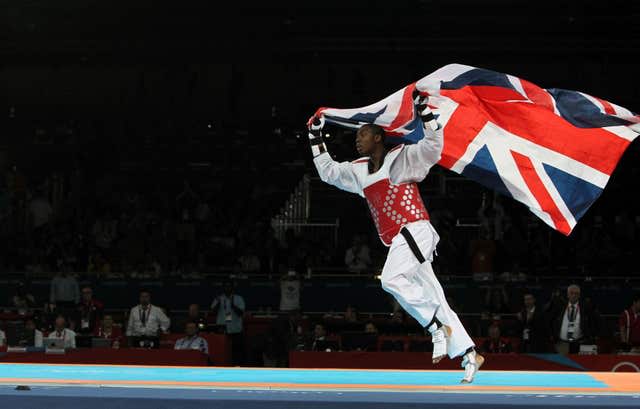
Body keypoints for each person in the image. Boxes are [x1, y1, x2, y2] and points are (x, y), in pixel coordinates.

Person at [307, 97, 482, 382]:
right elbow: (329, 173)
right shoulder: (359, 170)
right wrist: (315, 136)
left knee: (390, 279)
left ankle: (436, 325)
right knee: (436, 296)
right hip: (401, 240)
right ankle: (469, 353)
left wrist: (425, 113)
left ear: (378, 136)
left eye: (362, 134)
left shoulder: (401, 158)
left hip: (415, 231)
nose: (357, 140)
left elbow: (432, 147)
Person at [550, 284, 599, 354]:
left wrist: (591, 336)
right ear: (567, 295)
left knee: (580, 364)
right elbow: (551, 321)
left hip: (580, 343)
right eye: (571, 293)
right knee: (561, 363)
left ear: (579, 295)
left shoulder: (586, 308)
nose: (574, 295)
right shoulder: (559, 307)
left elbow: (595, 323)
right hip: (562, 344)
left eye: (576, 293)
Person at [211, 281, 245, 364]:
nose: (227, 288)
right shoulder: (218, 298)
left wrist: (233, 306)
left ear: (232, 288)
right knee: (222, 351)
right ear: (223, 288)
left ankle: (237, 368)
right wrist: (218, 303)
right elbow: (213, 312)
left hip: (235, 330)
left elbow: (241, 313)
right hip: (222, 329)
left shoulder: (238, 298)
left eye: (229, 286)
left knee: (236, 352)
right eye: (225, 286)